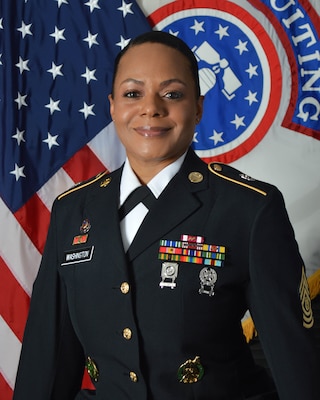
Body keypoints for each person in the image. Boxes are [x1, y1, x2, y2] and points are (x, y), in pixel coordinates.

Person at [13, 31, 319, 400]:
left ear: (199, 107)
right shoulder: (72, 209)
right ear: (112, 106)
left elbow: (296, 366)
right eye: (133, 93)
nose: (151, 108)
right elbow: (47, 361)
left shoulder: (248, 208)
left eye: (172, 94)